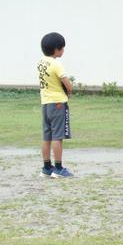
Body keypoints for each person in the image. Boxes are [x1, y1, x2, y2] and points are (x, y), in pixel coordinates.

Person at [38, 32, 74, 178]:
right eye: (62, 48)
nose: (63, 50)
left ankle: (46, 167)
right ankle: (58, 168)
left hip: (45, 103)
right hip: (58, 103)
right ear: (56, 49)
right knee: (57, 137)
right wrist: (70, 90)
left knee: (47, 137)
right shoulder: (56, 64)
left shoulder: (41, 62)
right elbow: (67, 83)